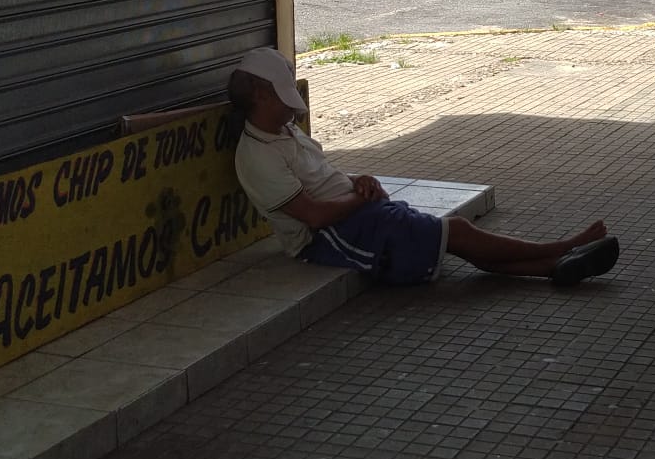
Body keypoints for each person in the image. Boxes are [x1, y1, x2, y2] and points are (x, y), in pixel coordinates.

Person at [228, 48, 620, 286]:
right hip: (330, 237)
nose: (290, 106)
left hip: (356, 214)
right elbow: (312, 216)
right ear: (261, 96)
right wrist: (359, 199)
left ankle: (555, 267)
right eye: (282, 97)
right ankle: (562, 248)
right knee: (457, 232)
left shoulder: (284, 131)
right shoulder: (256, 156)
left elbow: (323, 178)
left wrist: (357, 182)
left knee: (453, 240)